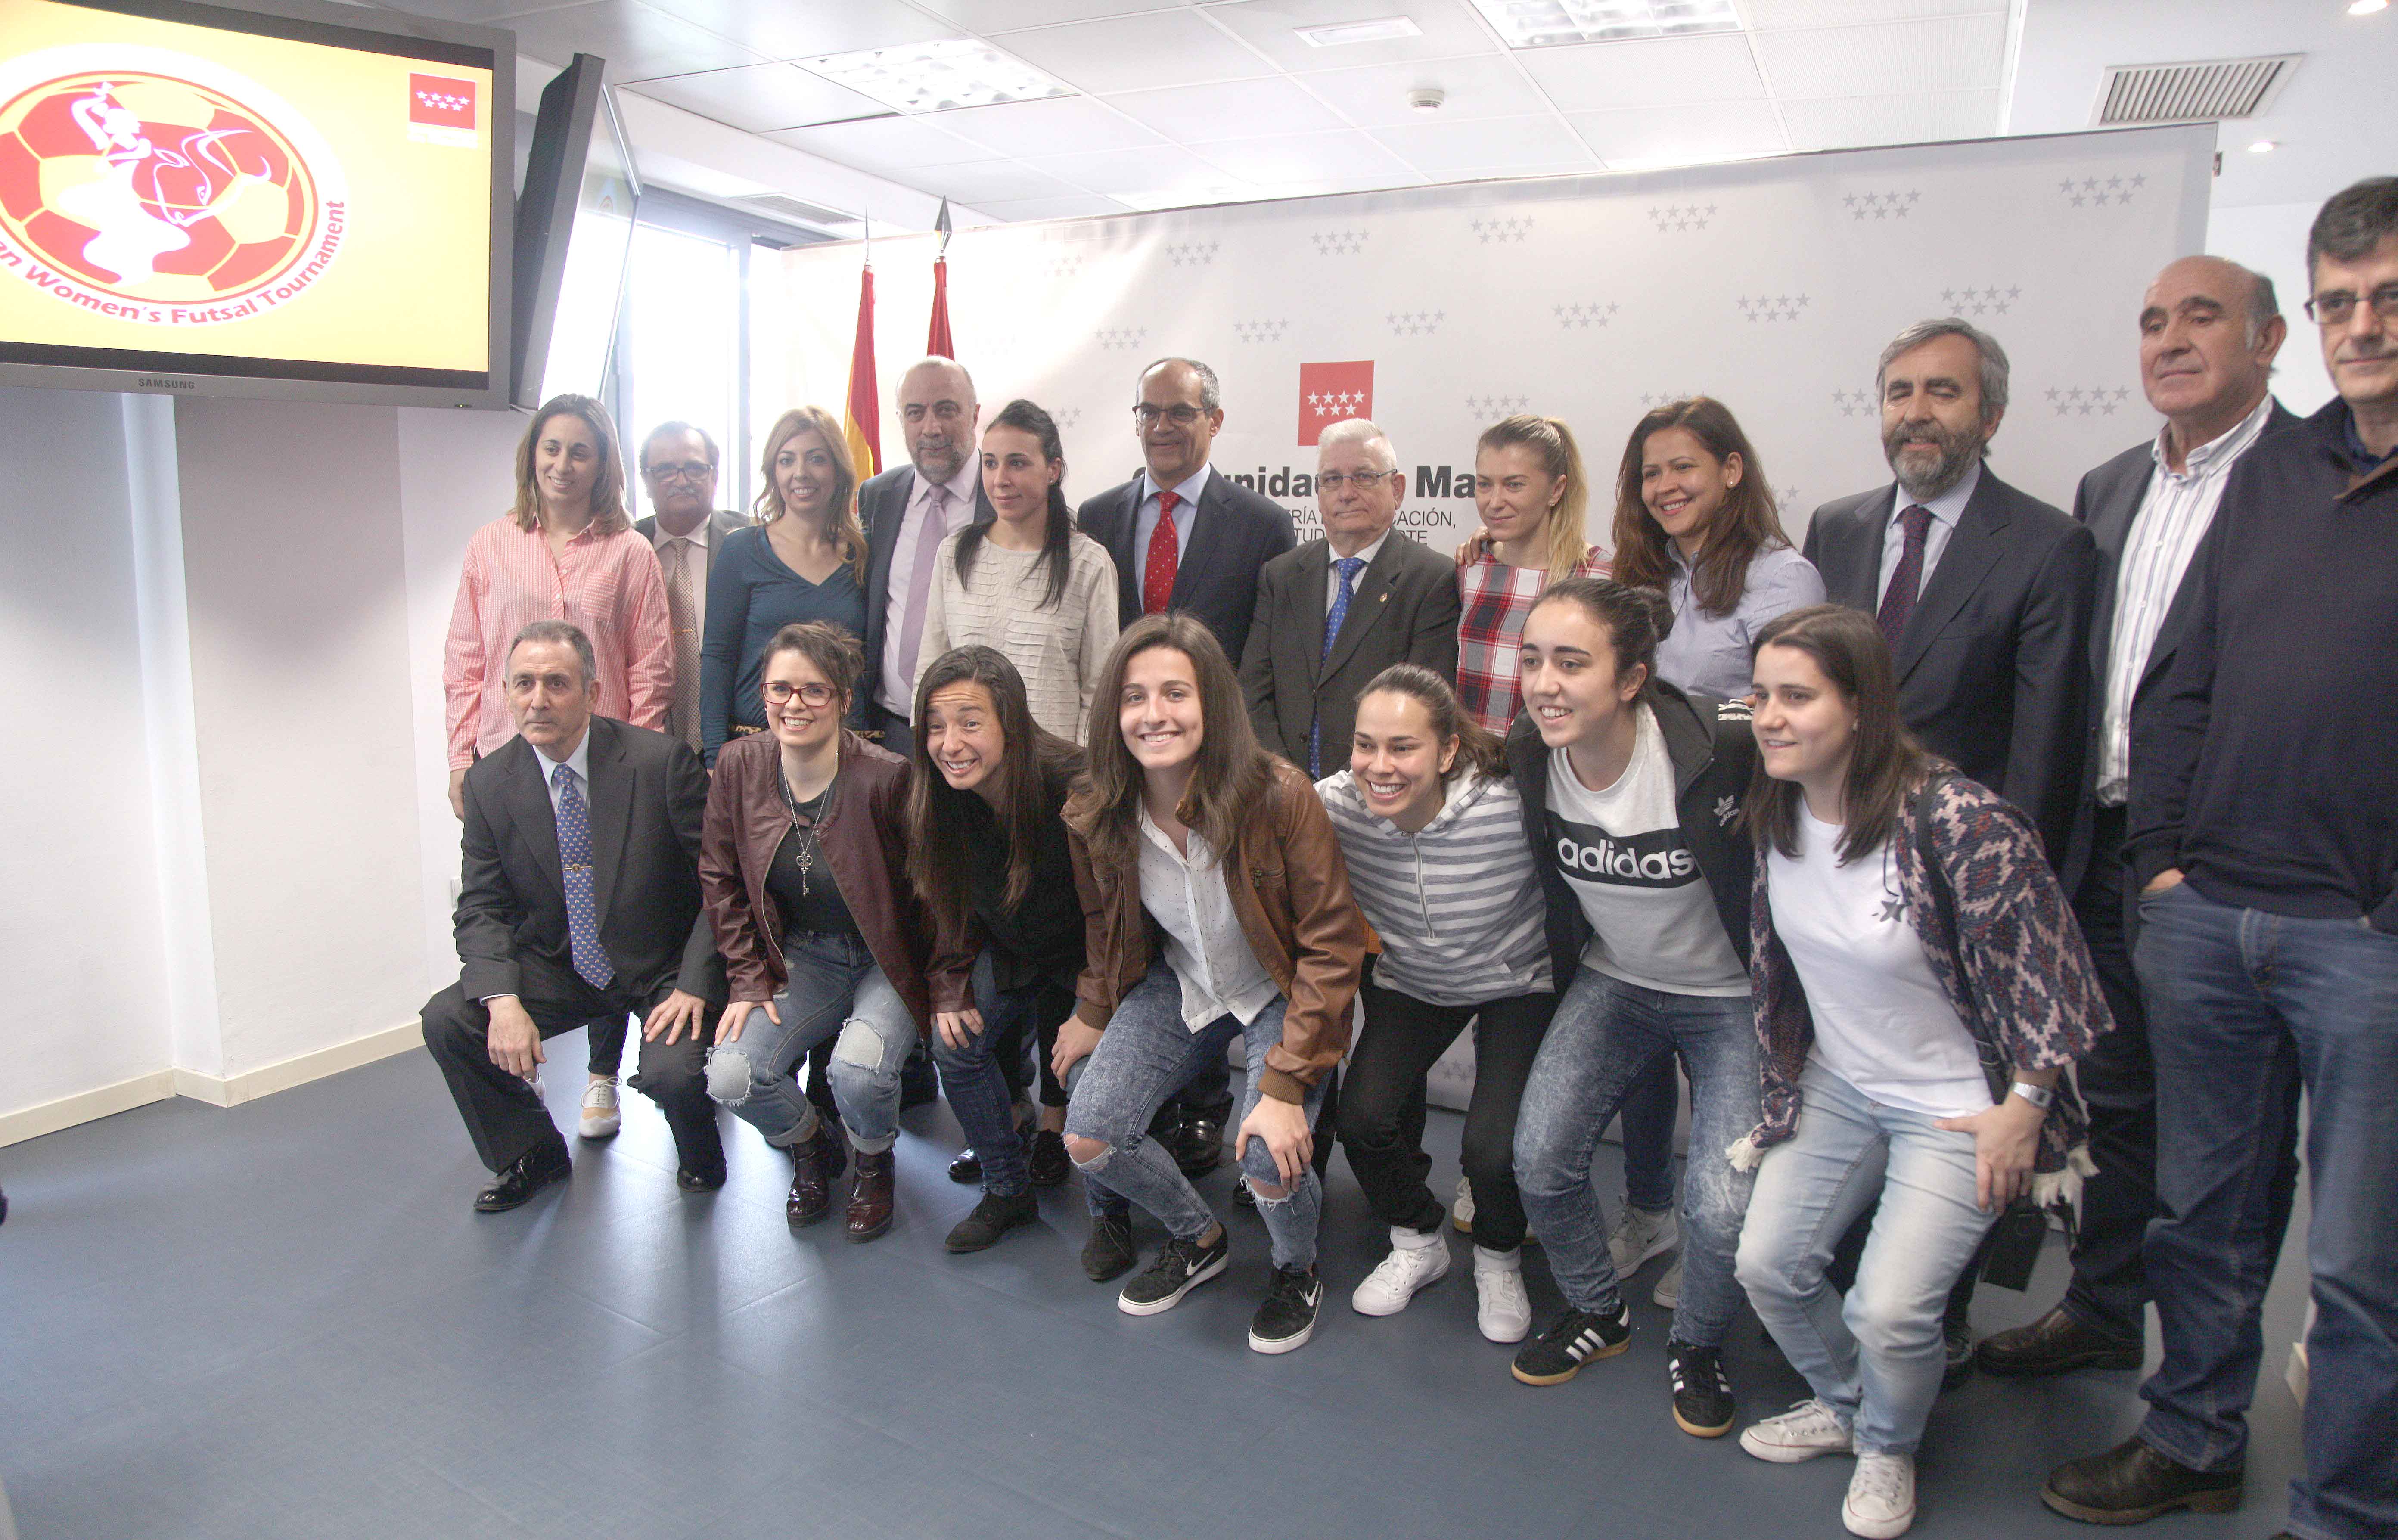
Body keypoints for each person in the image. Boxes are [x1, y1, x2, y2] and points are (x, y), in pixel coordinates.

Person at [2041, 177, 2398, 1540]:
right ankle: (2189, 1437)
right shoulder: (2280, 476)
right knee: (2202, 1213)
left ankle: (2346, 1508)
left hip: (2366, 939)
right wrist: (2169, 867)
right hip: (2207, 913)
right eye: (2342, 301)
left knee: (2362, 1261)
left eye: (2387, 299)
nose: (2362, 324)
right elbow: (2173, 683)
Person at [1976, 258, 2295, 1381]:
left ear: (2270, 340)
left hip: (2233, 867)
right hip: (2107, 846)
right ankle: (2105, 1318)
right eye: (2153, 321)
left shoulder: (2317, 480)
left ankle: (2202, 1402)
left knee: (2229, 1146)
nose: (2169, 339)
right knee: (2117, 1103)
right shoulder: (2109, 488)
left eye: (2200, 317)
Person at [1732, 603, 2106, 1540]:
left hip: (1959, 1109)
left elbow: (2053, 976)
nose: (1770, 716)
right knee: (1768, 1266)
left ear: (1862, 707)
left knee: (1892, 1309)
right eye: (1762, 695)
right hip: (1844, 1084)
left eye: (1797, 697)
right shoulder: (1776, 806)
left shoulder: (1960, 820)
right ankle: (1857, 1408)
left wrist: (2026, 1106)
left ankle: (1890, 1447)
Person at [1804, 318, 2098, 1378]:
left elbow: (2044, 745)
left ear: (1991, 414)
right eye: (1896, 392)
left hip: (1964, 887)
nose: (1914, 412)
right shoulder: (1835, 527)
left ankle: (1939, 1313)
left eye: (1940, 392)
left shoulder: (2046, 544)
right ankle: (1854, 1301)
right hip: (1837, 873)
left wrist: (2006, 922)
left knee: (1963, 1110)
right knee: (1854, 1091)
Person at [1057, 614, 1368, 1354]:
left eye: (1175, 693)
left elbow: (1331, 946)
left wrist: (1287, 1086)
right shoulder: (1095, 806)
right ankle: (1197, 1236)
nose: (1153, 714)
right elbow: (1103, 923)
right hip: (1184, 983)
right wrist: (1093, 1010)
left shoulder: (1280, 794)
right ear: (1113, 712)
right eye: (1134, 697)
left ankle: (1297, 1267)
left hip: (1280, 988)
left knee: (1269, 1158)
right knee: (1089, 1133)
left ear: (1213, 705)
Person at [1503, 578, 1759, 1445]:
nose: (1545, 683)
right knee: (1538, 1161)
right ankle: (1595, 1309)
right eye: (1533, 659)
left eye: (1572, 663)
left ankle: (1698, 1344)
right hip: (1617, 981)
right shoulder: (1532, 752)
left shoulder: (1716, 748)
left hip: (1731, 998)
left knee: (1722, 1207)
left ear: (1631, 679)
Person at [1598, 395, 1827, 1316]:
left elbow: (1776, 716)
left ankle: (1720, 1228)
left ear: (1733, 469)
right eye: (1651, 473)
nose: (1665, 488)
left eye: (1684, 467)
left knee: (1732, 1040)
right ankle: (1650, 1208)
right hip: (1640, 838)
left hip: (1741, 843)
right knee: (1646, 1026)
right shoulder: (1645, 579)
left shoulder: (1783, 577)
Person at [420, 621, 727, 1212]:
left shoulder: (659, 762)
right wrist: (501, 1001)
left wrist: (695, 982)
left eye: (557, 684)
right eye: (524, 684)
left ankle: (701, 1155)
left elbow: (721, 885)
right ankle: (532, 1152)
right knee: (449, 1020)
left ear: (591, 692)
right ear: (506, 693)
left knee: (673, 1076)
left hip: (660, 965)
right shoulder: (489, 784)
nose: (538, 700)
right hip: (562, 965)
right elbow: (482, 905)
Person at [1078, 357, 1296, 1174]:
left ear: (1215, 420)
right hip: (1134, 758)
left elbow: (1260, 648)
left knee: (1229, 935)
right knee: (1170, 939)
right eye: (1149, 412)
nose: (1162, 427)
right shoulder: (1095, 515)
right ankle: (1164, 1103)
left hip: (1221, 771)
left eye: (1180, 412)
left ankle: (1216, 1111)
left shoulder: (1262, 522)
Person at [1322, 664, 1554, 1343]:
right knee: (1362, 1120)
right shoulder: (1336, 803)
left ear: (1448, 750)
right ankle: (1419, 1240)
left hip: (1517, 981)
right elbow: (1257, 815)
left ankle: (1499, 1255)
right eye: (1366, 745)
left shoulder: (1508, 800)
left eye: (1403, 747)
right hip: (1416, 982)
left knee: (1491, 1150)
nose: (1380, 766)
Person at [698, 621, 929, 1242]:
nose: (793, 704)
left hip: (887, 957)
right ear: (762, 695)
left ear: (844, 701)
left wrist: (947, 986)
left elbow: (934, 894)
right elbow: (719, 877)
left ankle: (874, 1162)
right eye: (780, 690)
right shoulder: (739, 766)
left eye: (813, 691)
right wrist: (748, 981)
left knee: (857, 1072)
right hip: (804, 956)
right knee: (732, 1076)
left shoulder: (887, 777)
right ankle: (811, 1147)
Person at [909, 646, 1086, 1251]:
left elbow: (1119, 918)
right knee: (955, 1046)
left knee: (1087, 1072)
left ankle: (1069, 1151)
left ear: (1009, 723)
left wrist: (1097, 1008)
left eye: (969, 723)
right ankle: (1009, 1190)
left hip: (1091, 960)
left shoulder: (1072, 783)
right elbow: (947, 901)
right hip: (1012, 947)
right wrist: (950, 986)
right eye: (935, 726)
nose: (949, 743)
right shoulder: (940, 792)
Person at [442, 392, 673, 811]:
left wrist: (644, 761)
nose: (562, 465)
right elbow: (465, 663)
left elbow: (651, 672)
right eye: (552, 449)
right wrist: (460, 757)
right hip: (504, 756)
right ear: (533, 455)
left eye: (580, 453)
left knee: (604, 877)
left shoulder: (631, 553)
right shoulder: (489, 545)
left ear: (603, 464)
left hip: (606, 762)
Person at [1241, 418, 1462, 777]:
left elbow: (1424, 707)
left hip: (1378, 795)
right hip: (1280, 794)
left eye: (1363, 476)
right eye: (1332, 479)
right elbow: (1252, 692)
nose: (1346, 493)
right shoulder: (1280, 575)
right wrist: (1286, 780)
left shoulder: (1431, 580)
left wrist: (1338, 792)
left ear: (1398, 488)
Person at [914, 399, 1120, 742]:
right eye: (990, 463)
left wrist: (1084, 780)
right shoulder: (954, 553)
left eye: (1018, 464)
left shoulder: (1088, 564)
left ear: (1053, 470)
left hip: (1054, 778)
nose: (1000, 480)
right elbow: (929, 670)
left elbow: (1100, 692)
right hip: (963, 770)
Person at [698, 407, 871, 766]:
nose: (800, 473)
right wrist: (715, 759)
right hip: (753, 746)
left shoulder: (866, 553)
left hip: (841, 750)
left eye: (816, 459)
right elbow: (717, 660)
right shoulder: (741, 550)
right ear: (773, 473)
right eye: (787, 460)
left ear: (838, 471)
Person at [857, 358, 996, 758]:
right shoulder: (877, 496)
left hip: (982, 737)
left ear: (974, 414)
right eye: (915, 413)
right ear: (901, 420)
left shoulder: (1008, 494)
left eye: (946, 409)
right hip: (890, 729)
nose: (931, 428)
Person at [1454, 413, 1609, 736]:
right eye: (1484, 484)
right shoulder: (1469, 566)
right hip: (1471, 770)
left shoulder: (1599, 575)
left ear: (1556, 490)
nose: (1494, 502)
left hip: (1556, 769)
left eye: (1514, 485)